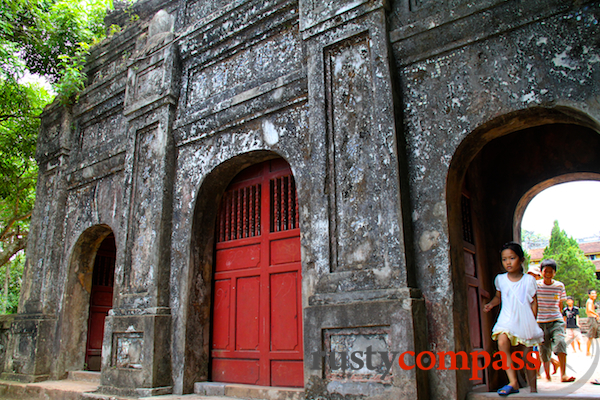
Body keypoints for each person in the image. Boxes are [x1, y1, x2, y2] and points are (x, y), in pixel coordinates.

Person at [484, 242, 543, 396]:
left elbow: (533, 302)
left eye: (512, 258)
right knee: (502, 342)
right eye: (504, 259)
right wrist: (491, 304)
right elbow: (499, 297)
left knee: (526, 356)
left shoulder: (529, 281)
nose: (508, 262)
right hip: (507, 318)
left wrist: (533, 322)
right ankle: (513, 381)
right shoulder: (500, 279)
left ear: (521, 260)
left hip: (525, 320)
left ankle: (533, 387)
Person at [536, 259, 574, 382]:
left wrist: (562, 320)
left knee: (561, 343)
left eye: (551, 271)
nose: (548, 273)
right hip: (540, 322)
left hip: (556, 320)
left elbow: (560, 305)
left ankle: (563, 375)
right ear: (541, 272)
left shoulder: (559, 285)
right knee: (544, 349)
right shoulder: (536, 285)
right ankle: (547, 375)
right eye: (545, 271)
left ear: (554, 273)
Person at [586, 289, 599, 357]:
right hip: (591, 319)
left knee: (593, 335)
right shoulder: (590, 301)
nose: (594, 295)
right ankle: (587, 352)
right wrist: (596, 314)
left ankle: (588, 351)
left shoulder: (591, 301)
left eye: (595, 293)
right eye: (592, 293)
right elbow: (589, 310)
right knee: (590, 336)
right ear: (589, 295)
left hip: (593, 318)